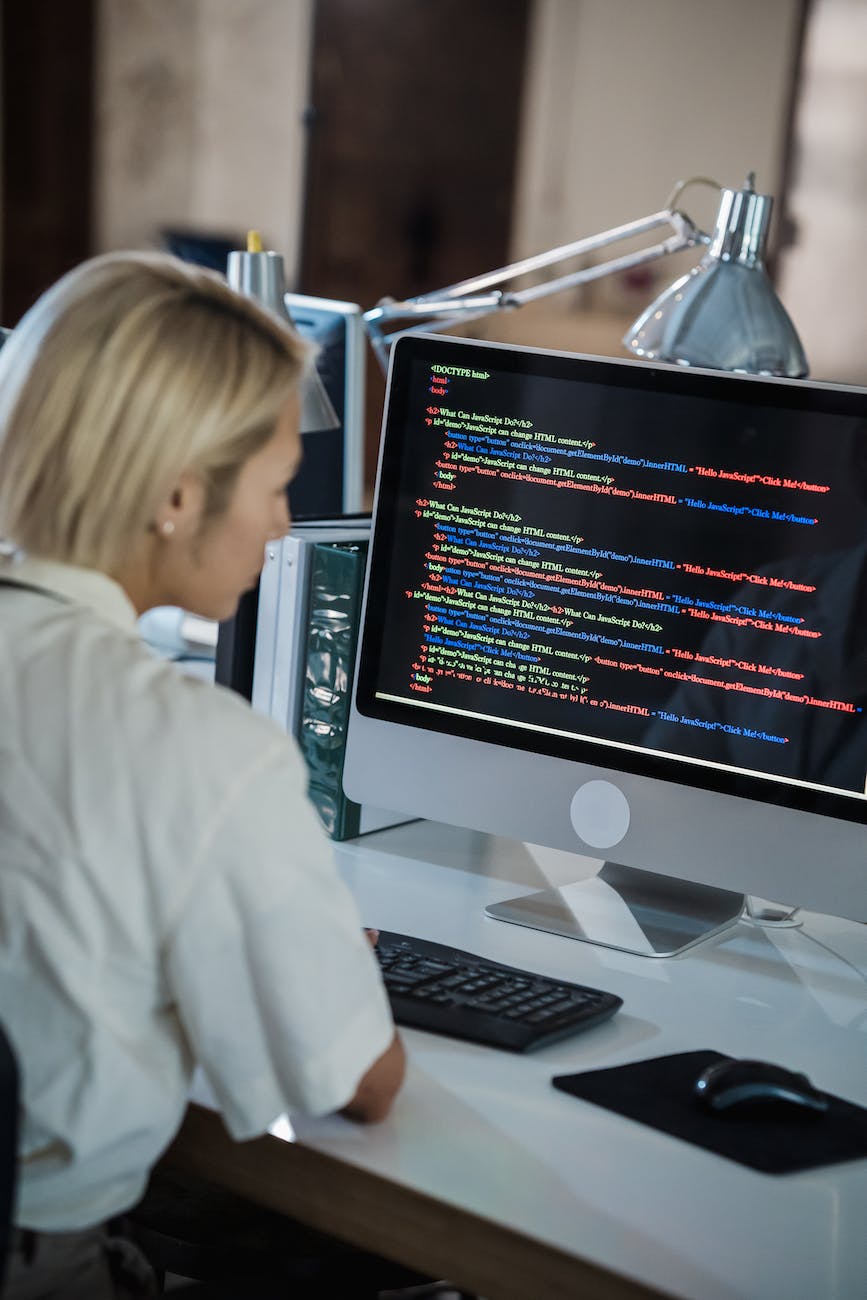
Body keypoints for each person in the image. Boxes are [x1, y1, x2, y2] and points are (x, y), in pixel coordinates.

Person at [0, 252, 405, 1298]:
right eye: (277, 486)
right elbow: (360, 1082)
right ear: (178, 495)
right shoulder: (192, 746)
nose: (282, 527)